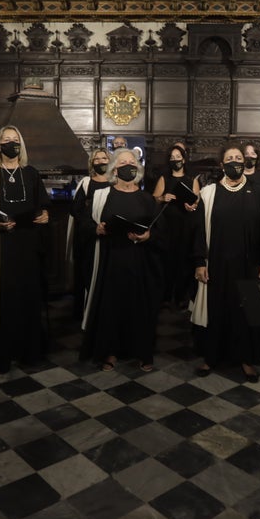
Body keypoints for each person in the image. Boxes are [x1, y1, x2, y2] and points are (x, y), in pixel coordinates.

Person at [191, 145, 260, 382]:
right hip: (216, 263)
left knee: (246, 311)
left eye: (239, 158)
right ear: (222, 165)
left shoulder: (257, 192)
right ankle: (211, 356)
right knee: (215, 309)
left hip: (248, 264)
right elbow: (198, 231)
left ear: (246, 162)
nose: (235, 161)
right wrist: (200, 262)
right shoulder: (209, 193)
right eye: (229, 158)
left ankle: (246, 359)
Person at [0, 126, 51, 373]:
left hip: (27, 244)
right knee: (3, 298)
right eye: (6, 140)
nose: (11, 144)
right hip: (1, 243)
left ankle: (29, 352)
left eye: (15, 140)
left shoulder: (31, 173)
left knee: (28, 296)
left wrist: (45, 215)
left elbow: (43, 206)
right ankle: (1, 354)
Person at [81, 148, 164, 371]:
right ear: (114, 169)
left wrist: (148, 236)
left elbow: (160, 231)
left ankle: (142, 352)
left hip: (140, 261)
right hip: (112, 259)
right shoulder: (102, 196)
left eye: (132, 162)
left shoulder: (147, 199)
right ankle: (109, 351)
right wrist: (96, 228)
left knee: (140, 308)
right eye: (123, 163)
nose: (129, 166)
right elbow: (85, 223)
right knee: (112, 307)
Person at [152, 143, 200, 306]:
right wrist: (162, 197)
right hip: (167, 225)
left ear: (184, 159)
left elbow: (197, 203)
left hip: (185, 224)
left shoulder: (191, 179)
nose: (175, 160)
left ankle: (181, 297)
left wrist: (192, 206)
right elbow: (154, 198)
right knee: (167, 261)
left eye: (178, 157)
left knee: (184, 261)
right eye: (172, 158)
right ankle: (165, 296)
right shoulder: (164, 178)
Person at [69, 148, 111, 319]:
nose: (101, 161)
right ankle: (85, 312)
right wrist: (93, 226)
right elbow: (76, 210)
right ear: (92, 163)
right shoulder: (86, 183)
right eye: (97, 159)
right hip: (88, 237)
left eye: (104, 158)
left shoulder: (115, 182)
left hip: (110, 236)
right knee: (86, 272)